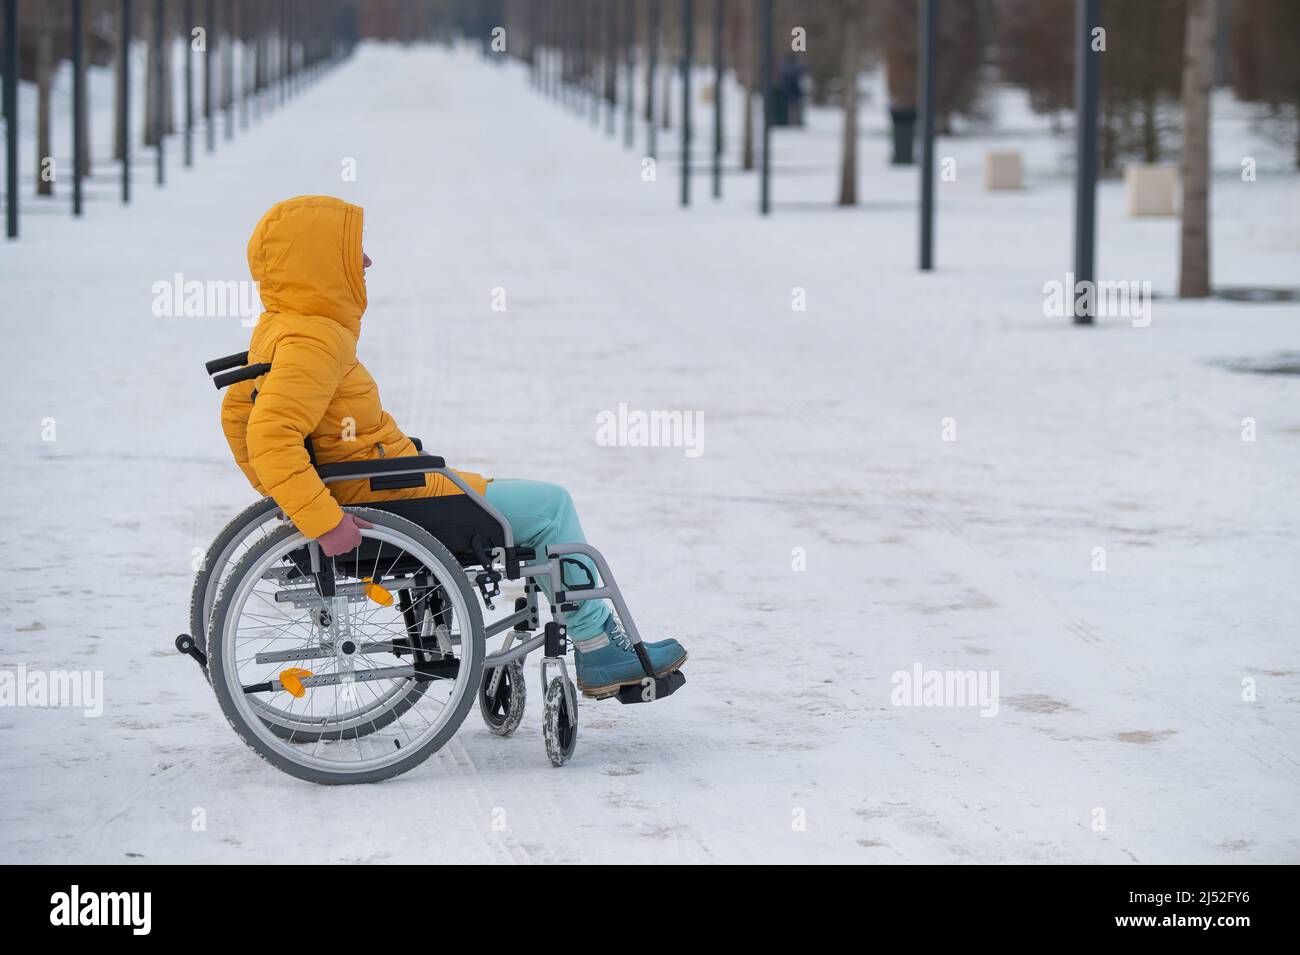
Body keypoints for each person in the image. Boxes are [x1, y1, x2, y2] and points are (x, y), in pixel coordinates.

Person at [221, 196, 687, 698]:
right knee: (553, 507)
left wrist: (293, 503)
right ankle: (598, 648)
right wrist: (321, 520)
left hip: (383, 484)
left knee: (519, 496)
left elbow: (237, 417)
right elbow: (269, 437)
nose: (367, 262)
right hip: (390, 498)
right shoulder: (313, 341)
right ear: (319, 262)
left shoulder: (284, 329)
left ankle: (596, 640)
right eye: (353, 250)